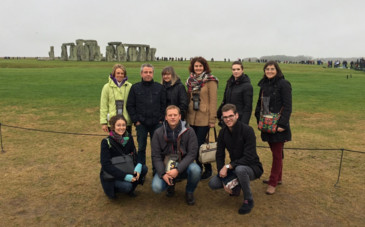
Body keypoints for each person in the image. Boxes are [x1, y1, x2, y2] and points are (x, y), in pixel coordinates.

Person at [209, 104, 263, 215]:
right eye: (225, 117)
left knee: (241, 170)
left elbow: (249, 156)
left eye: (230, 116)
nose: (228, 119)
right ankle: (236, 186)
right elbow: (219, 155)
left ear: (236, 115)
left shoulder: (247, 130)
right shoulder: (223, 132)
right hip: (235, 166)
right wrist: (222, 175)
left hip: (252, 167)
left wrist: (228, 166)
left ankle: (248, 200)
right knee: (213, 183)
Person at [254, 61, 292, 195]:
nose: (269, 71)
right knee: (276, 152)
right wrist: (259, 119)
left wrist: (282, 124)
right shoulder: (264, 84)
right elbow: (261, 103)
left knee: (277, 154)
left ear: (277, 70)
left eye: (272, 69)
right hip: (267, 124)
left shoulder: (284, 84)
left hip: (278, 125)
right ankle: (279, 177)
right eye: (267, 69)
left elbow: (288, 106)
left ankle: (273, 182)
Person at [151, 105, 201, 205]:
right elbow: (156, 156)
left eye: (175, 115)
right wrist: (163, 174)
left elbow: (192, 154)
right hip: (165, 166)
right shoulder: (158, 133)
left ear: (179, 116)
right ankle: (170, 185)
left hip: (183, 164)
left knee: (196, 170)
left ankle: (189, 191)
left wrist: (178, 170)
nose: (172, 117)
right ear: (166, 117)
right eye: (170, 115)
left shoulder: (189, 131)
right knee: (156, 187)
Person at [100, 115, 148, 199]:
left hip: (126, 167)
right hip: (113, 174)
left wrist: (138, 165)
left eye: (123, 125)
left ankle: (131, 188)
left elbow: (135, 155)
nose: (121, 128)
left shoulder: (128, 137)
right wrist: (124, 176)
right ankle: (115, 189)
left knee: (143, 168)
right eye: (118, 125)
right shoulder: (106, 142)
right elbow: (106, 165)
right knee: (127, 186)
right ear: (113, 126)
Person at [127, 63, 166, 165]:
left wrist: (161, 120)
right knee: (141, 148)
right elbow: (130, 105)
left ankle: (156, 170)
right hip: (141, 124)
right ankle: (141, 171)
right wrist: (136, 121)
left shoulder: (159, 88)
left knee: (156, 149)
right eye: (145, 72)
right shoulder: (135, 88)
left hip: (157, 123)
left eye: (150, 72)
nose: (148, 74)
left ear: (153, 74)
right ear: (141, 74)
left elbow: (164, 105)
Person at [186, 56, 218, 179]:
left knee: (200, 144)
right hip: (191, 116)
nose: (198, 68)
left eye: (200, 66)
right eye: (196, 66)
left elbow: (213, 101)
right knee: (193, 145)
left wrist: (212, 120)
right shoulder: (190, 80)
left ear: (204, 67)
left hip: (204, 117)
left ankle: (207, 168)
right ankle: (198, 169)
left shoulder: (210, 80)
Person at [217, 61, 253, 125]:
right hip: (227, 118)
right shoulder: (229, 83)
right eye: (234, 69)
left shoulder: (247, 86)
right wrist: (219, 113)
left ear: (242, 70)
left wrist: (244, 124)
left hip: (239, 119)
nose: (236, 71)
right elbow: (224, 101)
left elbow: (248, 107)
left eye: (238, 69)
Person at [100, 64, 132, 133]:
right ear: (114, 74)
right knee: (113, 142)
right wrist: (104, 122)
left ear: (124, 75)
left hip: (126, 122)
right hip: (112, 122)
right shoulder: (106, 87)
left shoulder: (129, 86)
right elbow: (104, 106)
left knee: (126, 142)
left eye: (122, 73)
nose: (120, 75)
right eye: (118, 73)